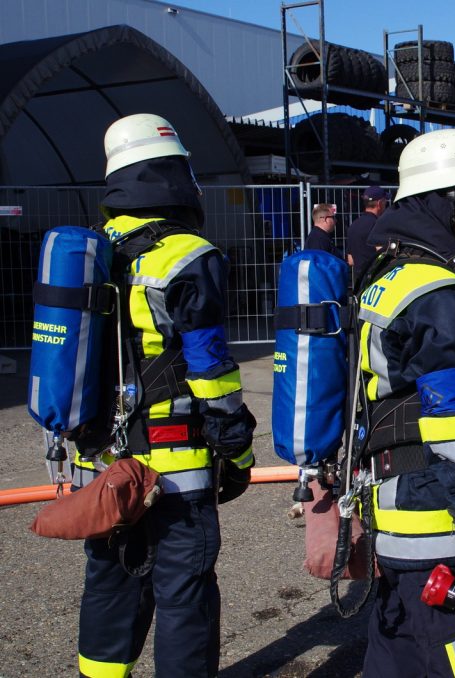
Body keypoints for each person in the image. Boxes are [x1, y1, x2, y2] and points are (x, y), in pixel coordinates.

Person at [70, 113, 257, 676]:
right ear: (175, 175)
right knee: (184, 590)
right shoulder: (185, 255)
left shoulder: (94, 251)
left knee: (110, 580)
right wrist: (238, 449)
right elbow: (211, 370)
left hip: (101, 458)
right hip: (174, 461)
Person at [356, 128, 455, 676]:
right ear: (448, 203)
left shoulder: (391, 274)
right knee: (454, 656)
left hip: (393, 504)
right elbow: (451, 423)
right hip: (437, 522)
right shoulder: (440, 294)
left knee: (395, 650)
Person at [346, 185, 390, 285]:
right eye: (385, 201)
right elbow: (382, 254)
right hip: (376, 278)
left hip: (358, 281)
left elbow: (351, 260)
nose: (386, 204)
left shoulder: (353, 225)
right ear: (379, 203)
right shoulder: (378, 225)